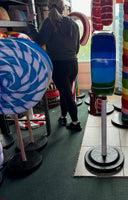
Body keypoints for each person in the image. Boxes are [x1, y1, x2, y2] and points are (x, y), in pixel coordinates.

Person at [27, 0, 82, 131]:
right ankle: (63, 117)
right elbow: (77, 47)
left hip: (58, 65)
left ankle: (75, 123)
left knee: (66, 94)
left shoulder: (49, 22)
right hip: (72, 63)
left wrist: (30, 23)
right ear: (64, 8)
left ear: (48, 7)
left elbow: (39, 41)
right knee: (65, 92)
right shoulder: (73, 24)